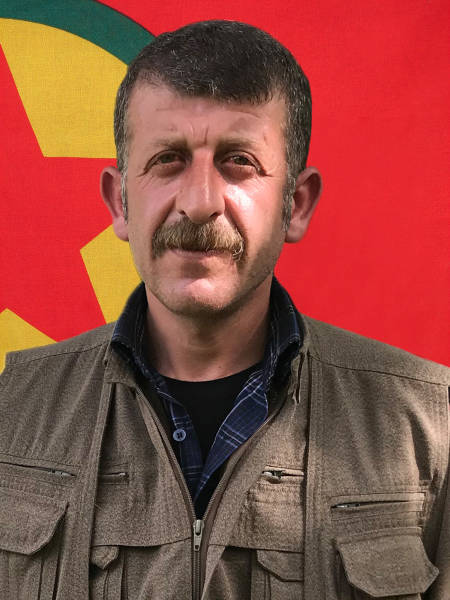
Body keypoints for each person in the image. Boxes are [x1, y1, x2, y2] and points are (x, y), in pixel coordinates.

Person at [0, 20, 448, 600]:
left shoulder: (430, 428)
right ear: (120, 202)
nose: (199, 202)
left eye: (239, 161)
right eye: (168, 159)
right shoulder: (10, 414)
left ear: (295, 205)